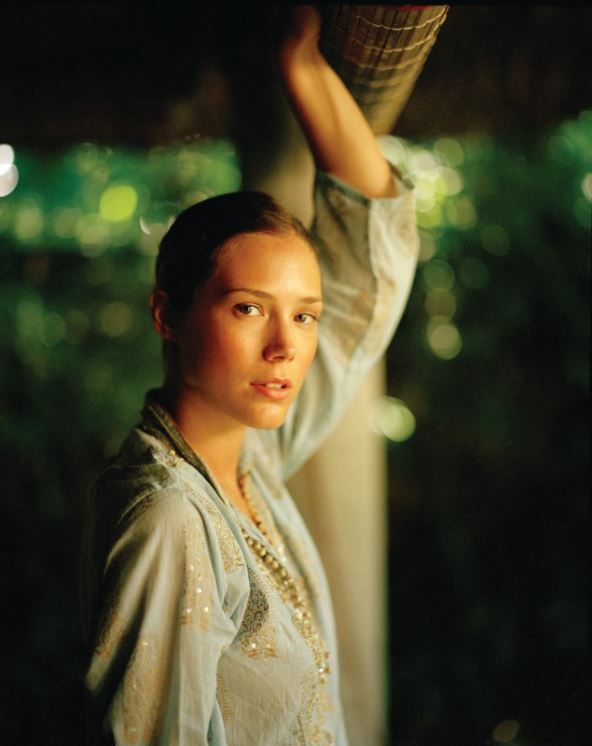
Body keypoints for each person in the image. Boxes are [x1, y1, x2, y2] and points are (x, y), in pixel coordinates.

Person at [82, 6, 418, 745]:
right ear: (168, 314)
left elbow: (376, 256)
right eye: (248, 308)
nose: (285, 348)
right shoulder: (171, 518)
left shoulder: (251, 454)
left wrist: (303, 67)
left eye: (305, 316)